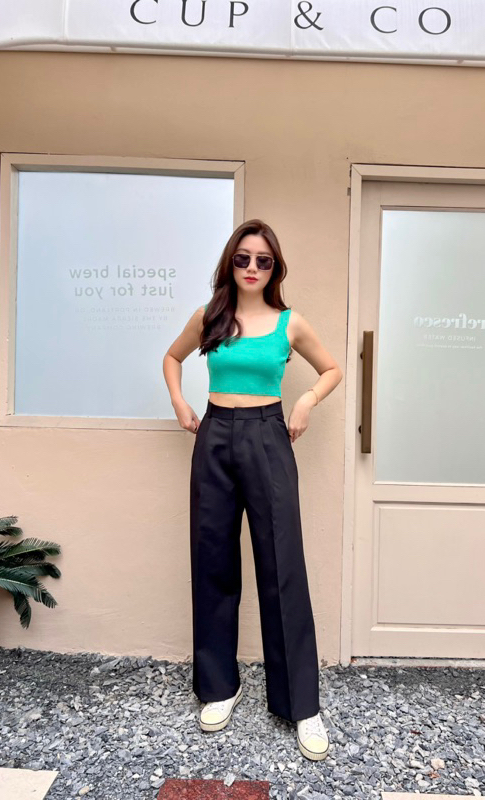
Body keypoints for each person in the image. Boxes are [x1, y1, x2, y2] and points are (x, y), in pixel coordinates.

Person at [162, 219, 343, 761]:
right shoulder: (210, 316)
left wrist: (306, 400)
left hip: (268, 436)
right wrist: (180, 403)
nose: (252, 268)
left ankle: (300, 704)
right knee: (213, 560)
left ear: (274, 268)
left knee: (282, 565)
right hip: (215, 434)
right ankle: (219, 686)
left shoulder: (290, 323)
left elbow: (332, 369)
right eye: (243, 258)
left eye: (263, 260)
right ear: (230, 261)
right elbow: (172, 357)